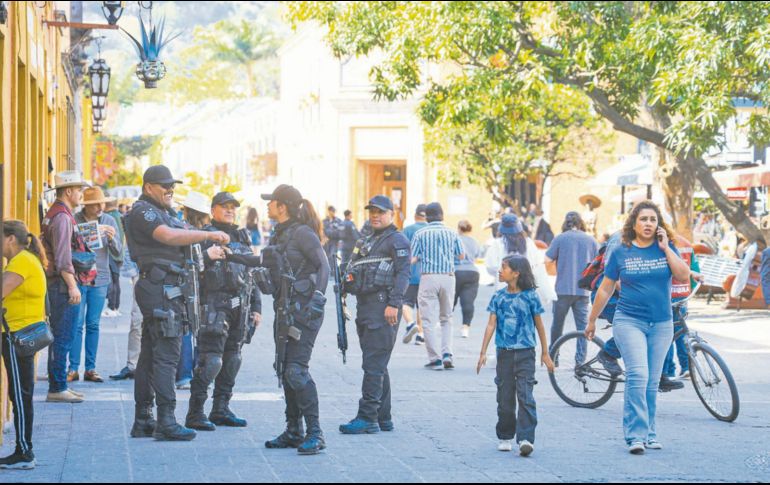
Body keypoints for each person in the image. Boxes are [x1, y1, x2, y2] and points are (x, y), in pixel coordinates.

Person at [124, 165, 230, 442]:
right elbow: (168, 236)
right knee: (167, 356)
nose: (170, 190)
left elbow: (179, 237)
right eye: (164, 185)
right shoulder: (143, 211)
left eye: (172, 185)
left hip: (166, 288)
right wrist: (208, 234)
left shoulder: (164, 212)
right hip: (160, 289)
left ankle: (144, 419)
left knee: (149, 355)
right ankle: (166, 421)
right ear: (148, 187)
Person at [586, 201, 690, 454]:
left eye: (653, 220)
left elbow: (683, 275)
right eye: (643, 219)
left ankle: (650, 433)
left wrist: (666, 248)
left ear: (659, 225)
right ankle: (635, 436)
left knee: (652, 381)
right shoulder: (622, 250)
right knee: (639, 375)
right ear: (634, 223)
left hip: (662, 323)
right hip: (629, 320)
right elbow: (606, 287)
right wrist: (591, 320)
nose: (648, 224)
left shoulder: (665, 248)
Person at [261, 185, 330, 455]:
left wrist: (318, 298)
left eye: (271, 202)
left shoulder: (302, 232)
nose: (268, 206)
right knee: (285, 369)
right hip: (286, 309)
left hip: (305, 310)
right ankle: (293, 431)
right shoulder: (281, 234)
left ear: (283, 206)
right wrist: (231, 254)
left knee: (296, 370)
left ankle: (315, 432)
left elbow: (324, 265)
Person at [185, 192, 262, 432]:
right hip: (213, 305)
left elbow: (252, 271)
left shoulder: (242, 236)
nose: (229, 211)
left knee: (233, 358)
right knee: (211, 361)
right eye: (224, 207)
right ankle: (195, 413)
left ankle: (221, 409)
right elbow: (191, 269)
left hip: (240, 304)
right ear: (213, 209)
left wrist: (257, 306)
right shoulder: (204, 236)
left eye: (233, 207)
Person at [339, 195, 410, 434]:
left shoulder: (397, 240)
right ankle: (383, 416)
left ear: (391, 214)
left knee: (373, 365)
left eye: (380, 212)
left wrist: (394, 303)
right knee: (378, 363)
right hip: (366, 307)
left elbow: (402, 274)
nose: (375, 216)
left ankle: (367, 417)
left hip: (383, 308)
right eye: (372, 212)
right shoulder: (367, 241)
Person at [476, 255, 554, 457]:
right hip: (504, 354)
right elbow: (491, 324)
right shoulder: (498, 297)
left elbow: (540, 325)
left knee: (526, 396)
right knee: (505, 397)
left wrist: (546, 353)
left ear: (516, 273)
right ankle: (505, 435)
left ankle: (526, 438)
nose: (499, 271)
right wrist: (483, 352)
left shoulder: (531, 296)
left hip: (526, 353)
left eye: (504, 267)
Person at [0, 221, 48, 469]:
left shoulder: (21, 262)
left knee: (19, 395)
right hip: (21, 335)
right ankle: (23, 449)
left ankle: (24, 452)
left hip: (18, 337)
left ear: (10, 239)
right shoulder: (26, 259)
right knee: (21, 394)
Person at [40, 171, 91, 404]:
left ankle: (58, 385)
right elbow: (62, 258)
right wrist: (73, 286)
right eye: (79, 190)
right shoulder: (61, 217)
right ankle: (57, 387)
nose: (82, 194)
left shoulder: (58, 213)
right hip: (61, 285)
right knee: (63, 336)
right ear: (68, 191)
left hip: (57, 284)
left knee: (62, 335)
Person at [68, 187, 122, 384]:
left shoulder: (110, 220)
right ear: (87, 206)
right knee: (77, 324)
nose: (101, 207)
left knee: (93, 324)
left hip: (100, 278)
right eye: (96, 204)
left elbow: (118, 252)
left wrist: (112, 238)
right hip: (78, 277)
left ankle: (90, 368)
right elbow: (67, 245)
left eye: (102, 203)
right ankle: (73, 368)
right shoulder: (74, 219)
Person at [410, 202, 465, 370]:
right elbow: (461, 255)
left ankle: (435, 358)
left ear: (427, 216)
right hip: (448, 277)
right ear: (442, 215)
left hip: (428, 277)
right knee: (447, 317)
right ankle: (447, 353)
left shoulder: (421, 233)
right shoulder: (452, 232)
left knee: (427, 319)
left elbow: (412, 259)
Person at [545, 212, 598, 364]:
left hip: (562, 289)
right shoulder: (590, 240)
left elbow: (547, 259)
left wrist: (558, 268)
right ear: (581, 223)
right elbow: (599, 262)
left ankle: (554, 357)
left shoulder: (560, 238)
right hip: (583, 290)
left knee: (557, 325)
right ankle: (580, 362)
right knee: (582, 328)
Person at [175, 191, 212, 391]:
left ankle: (185, 374)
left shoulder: (181, 229)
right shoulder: (199, 233)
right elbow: (199, 262)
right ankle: (192, 373)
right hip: (196, 287)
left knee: (188, 329)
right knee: (194, 329)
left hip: (186, 286)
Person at [401, 204, 428, 345]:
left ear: (415, 215)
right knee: (421, 305)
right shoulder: (431, 230)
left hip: (410, 272)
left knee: (405, 302)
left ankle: (411, 323)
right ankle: (421, 336)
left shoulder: (407, 230)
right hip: (427, 273)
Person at [455, 220, 481, 339]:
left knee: (450, 299)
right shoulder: (475, 241)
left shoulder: (455, 239)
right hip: (472, 272)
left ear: (459, 229)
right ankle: (465, 328)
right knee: (468, 302)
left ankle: (443, 322)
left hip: (455, 271)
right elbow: (478, 255)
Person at [104, 199, 125, 318]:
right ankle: (116, 306)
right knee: (117, 281)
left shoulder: (109, 218)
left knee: (112, 281)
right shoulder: (121, 216)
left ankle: (112, 306)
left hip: (112, 253)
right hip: (119, 253)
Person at [323, 206, 344, 271]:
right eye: (331, 211)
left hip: (335, 241)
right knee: (326, 256)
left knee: (332, 256)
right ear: (328, 211)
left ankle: (332, 271)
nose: (332, 213)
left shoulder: (338, 221)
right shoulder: (324, 221)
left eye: (334, 211)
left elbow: (340, 231)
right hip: (326, 241)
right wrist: (325, 236)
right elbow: (322, 230)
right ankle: (328, 271)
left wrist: (331, 233)